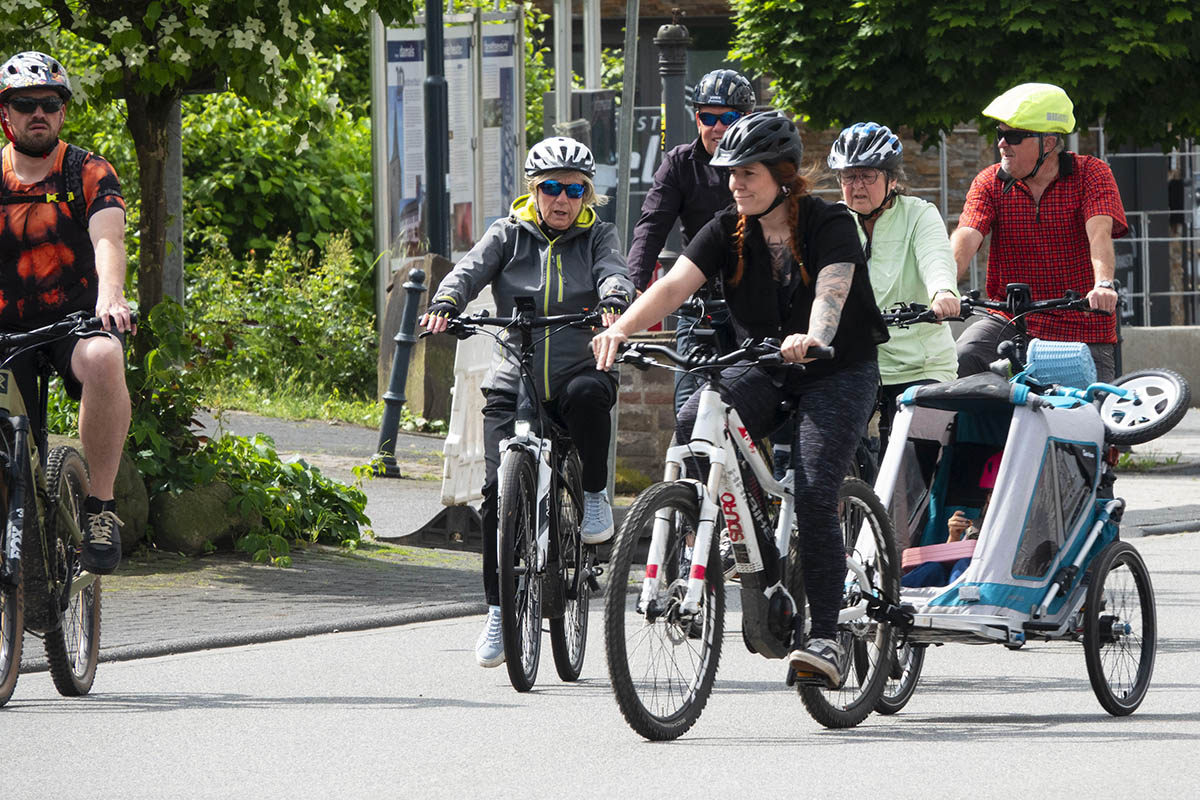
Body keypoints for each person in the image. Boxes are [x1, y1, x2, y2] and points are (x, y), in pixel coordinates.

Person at [593, 111, 888, 686]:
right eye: (730, 174)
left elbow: (833, 287)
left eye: (748, 173)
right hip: (768, 365)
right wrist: (622, 329)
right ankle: (755, 551)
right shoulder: (728, 228)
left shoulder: (829, 222)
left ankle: (826, 635)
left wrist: (817, 336)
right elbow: (674, 285)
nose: (735, 184)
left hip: (836, 369)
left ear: (782, 174)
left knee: (814, 486)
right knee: (693, 424)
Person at [422, 136, 632, 668]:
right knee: (497, 497)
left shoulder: (599, 236)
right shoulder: (507, 235)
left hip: (577, 372)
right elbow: (469, 271)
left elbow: (616, 272)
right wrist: (447, 302)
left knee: (590, 396)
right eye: (551, 189)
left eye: (574, 190)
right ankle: (498, 610)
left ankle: (591, 498)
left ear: (587, 195)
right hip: (514, 380)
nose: (562, 199)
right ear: (534, 191)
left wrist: (612, 301)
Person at [0, 51, 133, 575]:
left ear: (61, 112)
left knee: (104, 358)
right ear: (5, 114)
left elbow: (109, 238)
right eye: (25, 104)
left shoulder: (85, 169)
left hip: (71, 323)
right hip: (4, 330)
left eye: (49, 104)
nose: (38, 113)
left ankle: (99, 507)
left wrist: (111, 296)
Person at [950, 82, 1127, 383]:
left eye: (1015, 136)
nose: (1003, 143)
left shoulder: (1091, 174)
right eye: (1000, 134)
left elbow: (1099, 232)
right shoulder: (989, 182)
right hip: (1010, 319)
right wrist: (942, 286)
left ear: (1048, 143)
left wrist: (1104, 285)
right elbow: (968, 233)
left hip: (1081, 322)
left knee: (1090, 415)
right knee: (963, 356)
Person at [626, 68, 756, 414]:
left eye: (728, 117)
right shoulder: (680, 163)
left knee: (776, 398)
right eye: (707, 117)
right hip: (701, 303)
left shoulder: (765, 163)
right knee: (688, 408)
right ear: (696, 118)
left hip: (757, 301)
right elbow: (651, 226)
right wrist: (632, 286)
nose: (717, 127)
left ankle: (786, 467)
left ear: (747, 118)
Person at [827, 122, 959, 456]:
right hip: (856, 359)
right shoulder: (832, 222)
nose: (857, 186)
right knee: (830, 445)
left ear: (892, 179)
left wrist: (942, 293)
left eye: (868, 176)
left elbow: (935, 258)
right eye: (849, 176)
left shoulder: (919, 215)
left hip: (920, 364)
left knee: (918, 461)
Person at [901, 452, 999, 588]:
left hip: (988, 584)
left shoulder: (1029, 530)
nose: (991, 499)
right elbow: (948, 562)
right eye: (990, 493)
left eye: (996, 493)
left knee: (963, 563)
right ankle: (890, 595)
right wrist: (954, 536)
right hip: (955, 583)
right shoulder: (976, 526)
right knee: (932, 568)